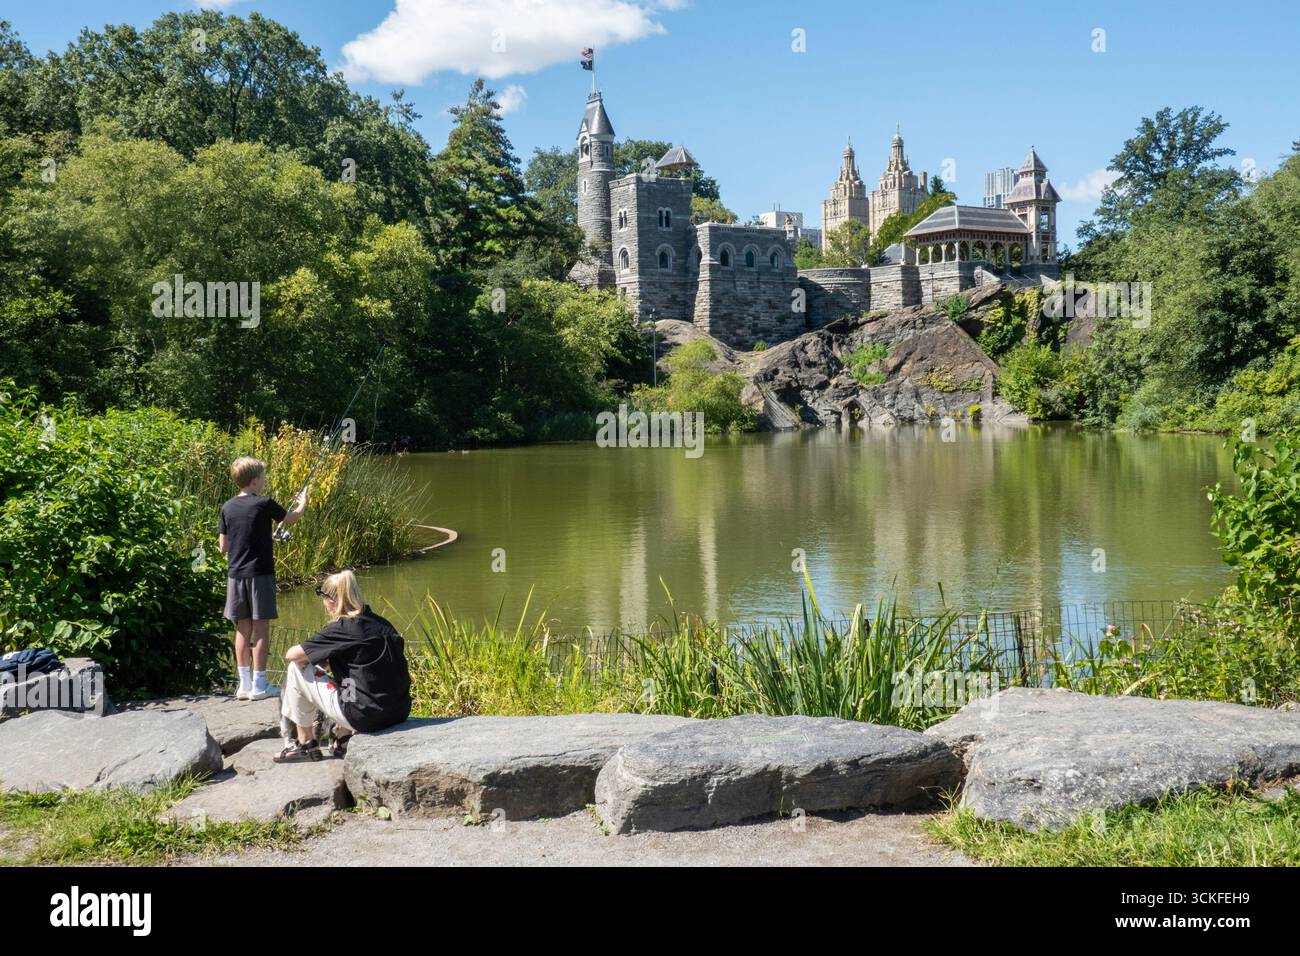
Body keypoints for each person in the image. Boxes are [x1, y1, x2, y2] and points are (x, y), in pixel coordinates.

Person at [275, 569, 411, 763]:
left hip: (365, 718)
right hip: (399, 711)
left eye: (323, 599)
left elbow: (292, 654)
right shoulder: (382, 623)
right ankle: (343, 738)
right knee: (349, 677)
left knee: (297, 667)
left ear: (332, 600)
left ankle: (305, 744)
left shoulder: (342, 628)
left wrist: (321, 659)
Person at [218, 457, 306, 701]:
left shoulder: (227, 507)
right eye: (263, 478)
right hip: (260, 574)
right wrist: (303, 502)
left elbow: (223, 546)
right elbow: (293, 518)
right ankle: (260, 684)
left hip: (235, 576)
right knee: (262, 628)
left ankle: (243, 685)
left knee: (242, 628)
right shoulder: (264, 503)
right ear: (255, 481)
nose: (264, 482)